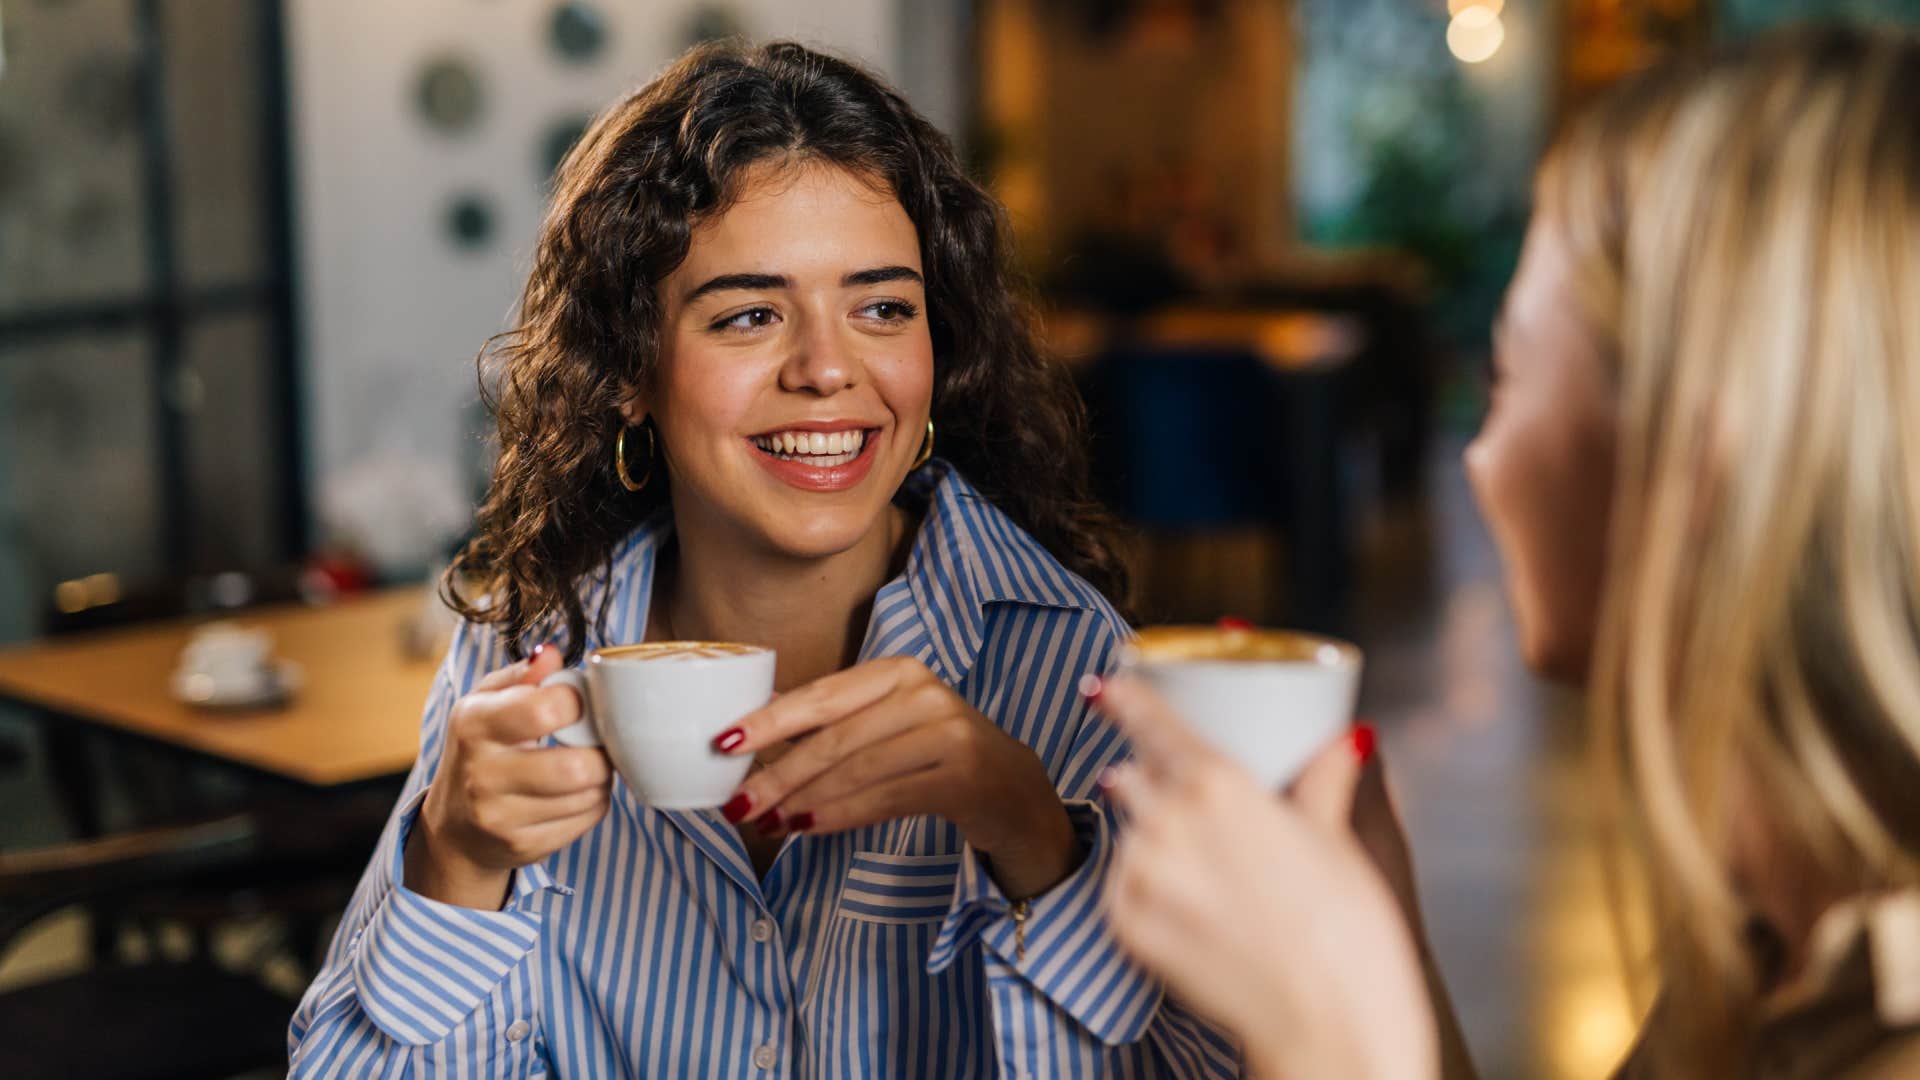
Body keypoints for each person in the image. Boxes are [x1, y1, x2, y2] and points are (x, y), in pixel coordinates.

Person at [289, 41, 1235, 1078]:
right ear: (628, 371)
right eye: (748, 315)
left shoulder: (1067, 664)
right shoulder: (523, 655)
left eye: (882, 308)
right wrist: (454, 866)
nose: (830, 370)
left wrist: (1032, 839)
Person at [1093, 25, 1920, 1080]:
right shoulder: (1782, 938)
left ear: (1693, 461)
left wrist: (1335, 1050)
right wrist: (1379, 952)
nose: (1479, 461)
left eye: (1508, 375)